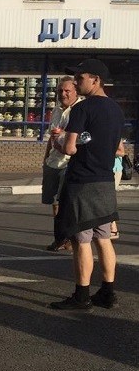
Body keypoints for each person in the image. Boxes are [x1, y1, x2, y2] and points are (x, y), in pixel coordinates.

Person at [50, 58, 125, 310]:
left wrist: (59, 144)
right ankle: (108, 292)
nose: (76, 82)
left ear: (96, 80)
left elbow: (70, 148)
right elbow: (118, 149)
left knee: (82, 239)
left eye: (81, 78)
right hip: (105, 180)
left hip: (83, 182)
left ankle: (81, 296)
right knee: (104, 238)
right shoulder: (116, 110)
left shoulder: (82, 109)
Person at [43, 76, 82, 251]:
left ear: (75, 91)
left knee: (66, 203)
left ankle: (68, 239)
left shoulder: (81, 109)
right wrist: (45, 158)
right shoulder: (57, 110)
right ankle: (59, 237)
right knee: (54, 203)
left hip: (69, 162)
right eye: (60, 91)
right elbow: (51, 137)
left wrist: (64, 133)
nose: (63, 94)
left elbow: (83, 136)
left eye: (67, 91)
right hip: (53, 161)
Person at [111, 140, 125, 239]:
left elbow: (122, 152)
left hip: (114, 169)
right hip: (102, 169)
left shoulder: (114, 132)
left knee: (108, 198)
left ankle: (113, 228)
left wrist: (106, 150)